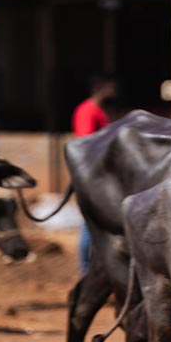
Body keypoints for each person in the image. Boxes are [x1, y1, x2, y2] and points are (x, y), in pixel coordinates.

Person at [72, 75, 115, 273]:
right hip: (91, 175)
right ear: (101, 89)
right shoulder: (88, 111)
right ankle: (86, 271)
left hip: (98, 175)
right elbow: (86, 143)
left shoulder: (97, 111)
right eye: (110, 87)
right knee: (90, 224)